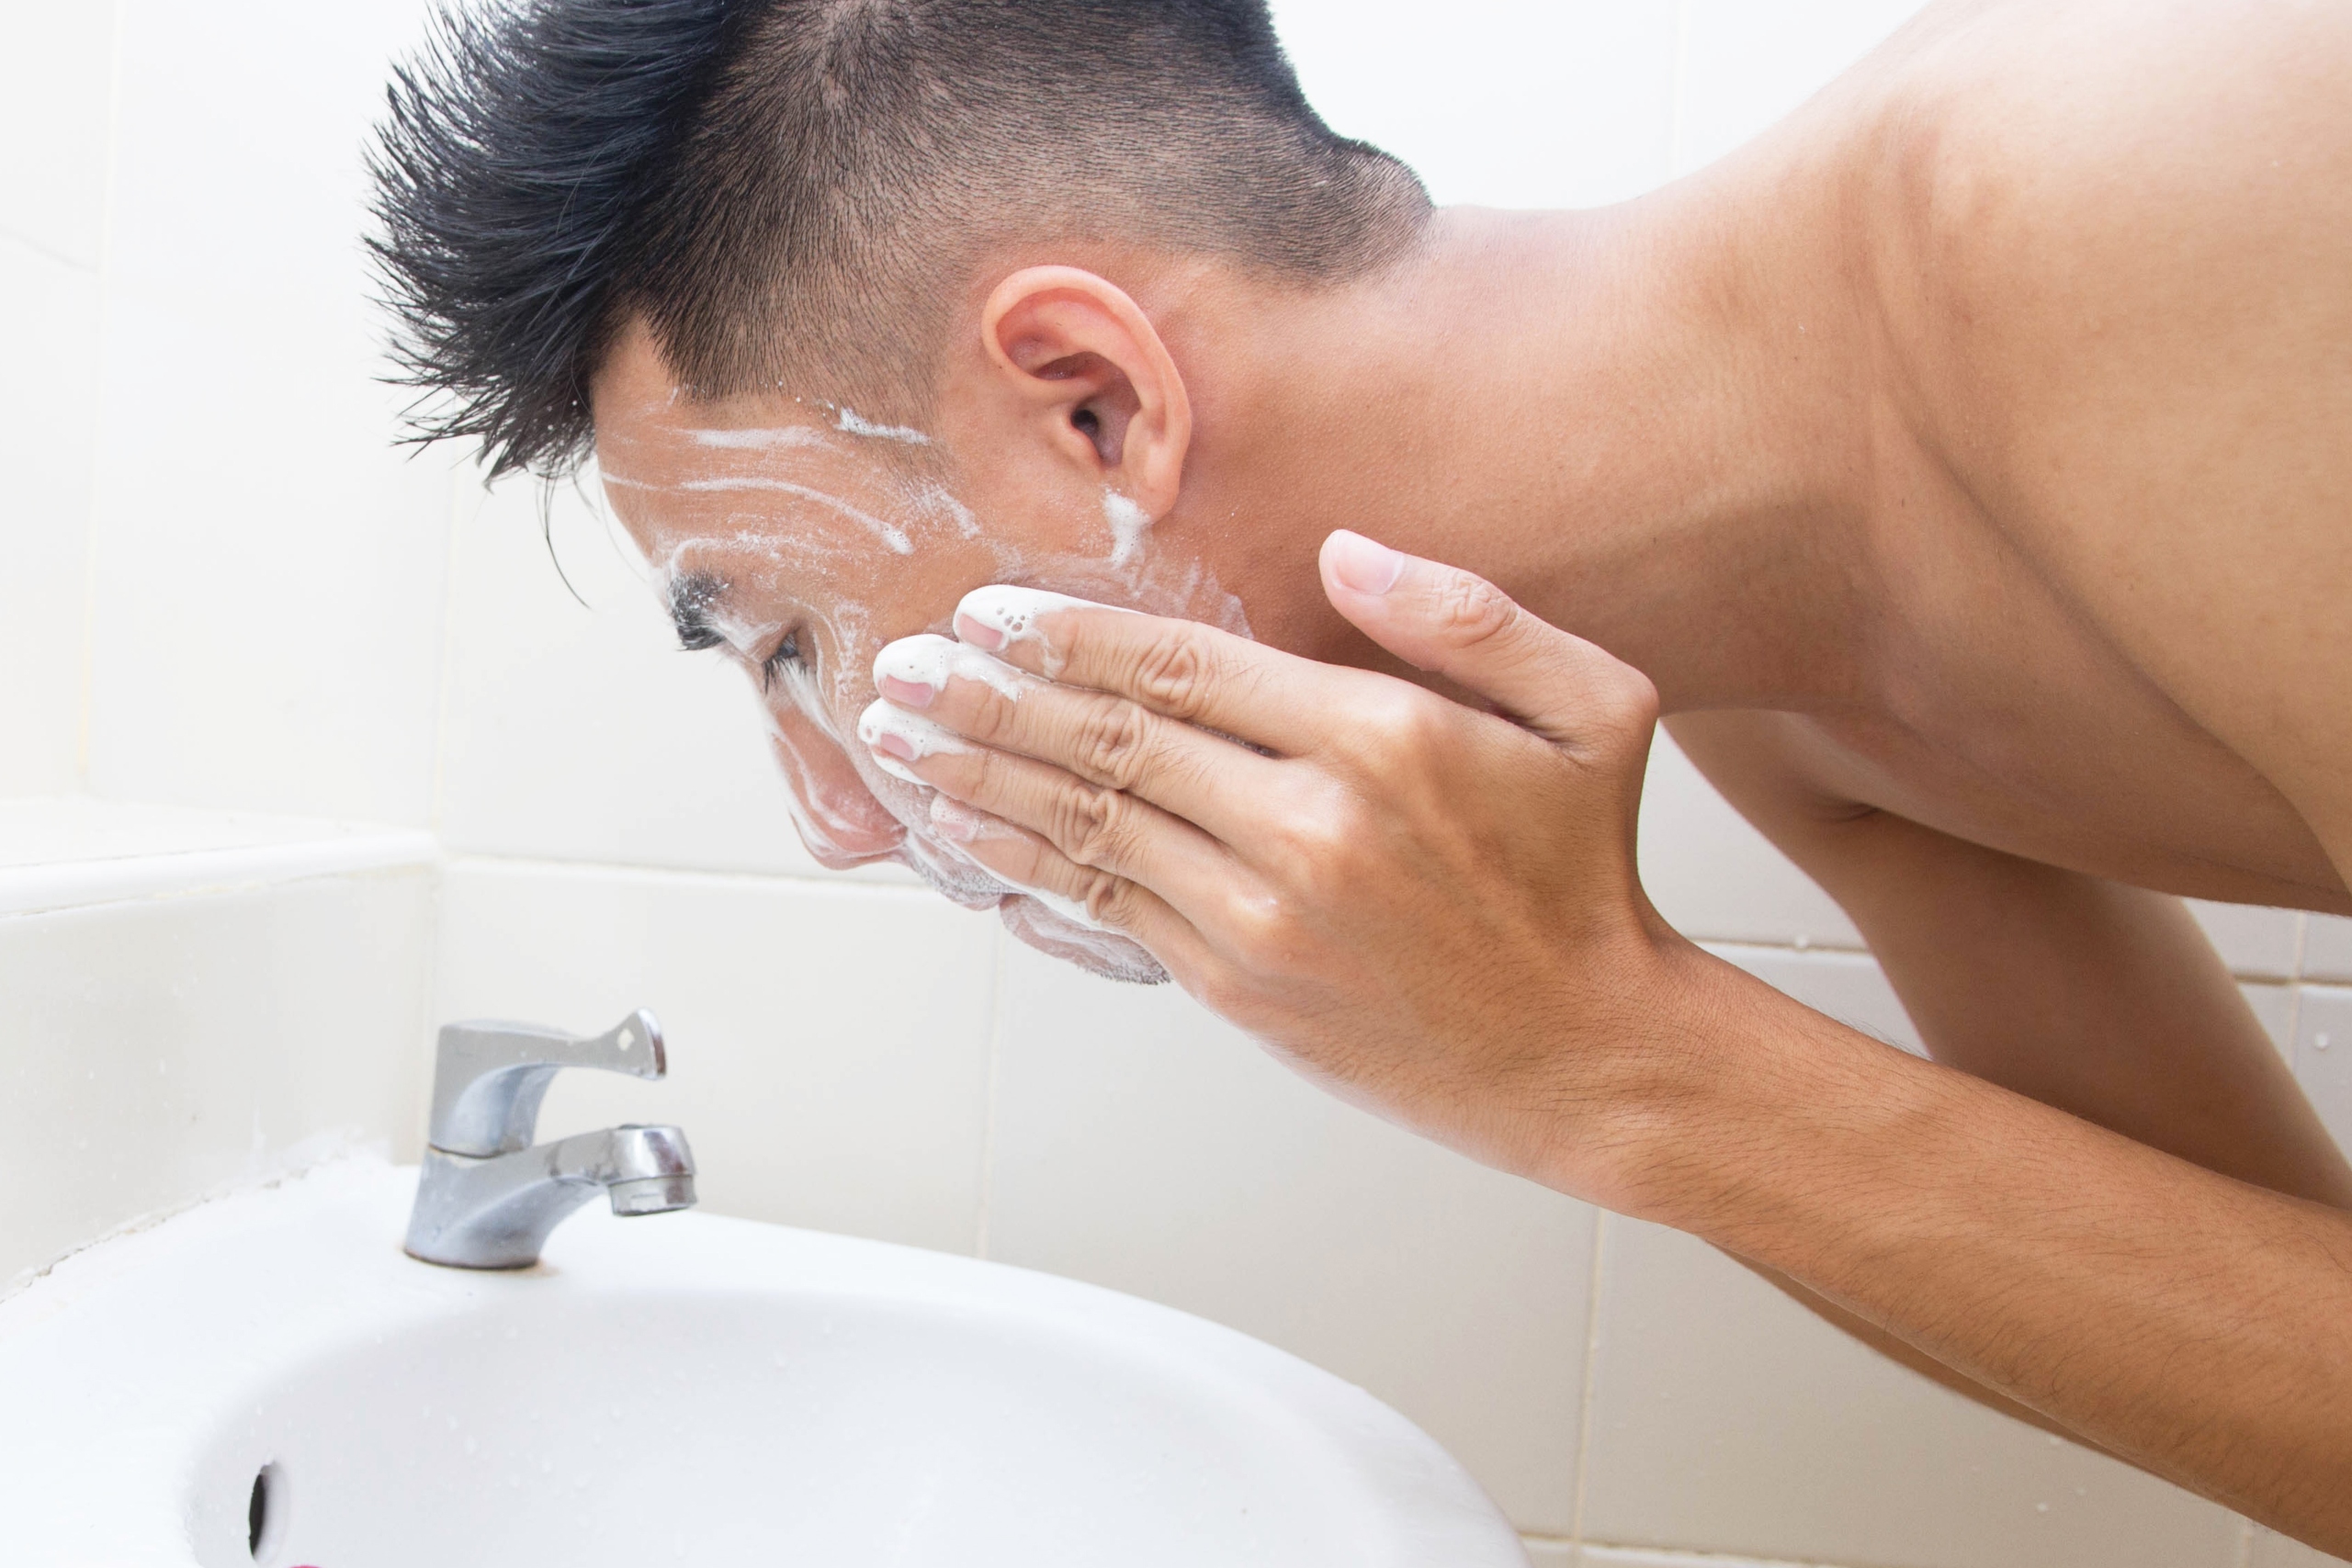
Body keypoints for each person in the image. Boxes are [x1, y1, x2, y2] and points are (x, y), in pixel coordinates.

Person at [370, 0, 2352, 1550]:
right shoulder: (1753, 671)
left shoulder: (2139, 183)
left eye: (787, 642)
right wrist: (1547, 1052)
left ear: (1092, 402)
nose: (837, 811)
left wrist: (1616, 1051)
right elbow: (2256, 1355)